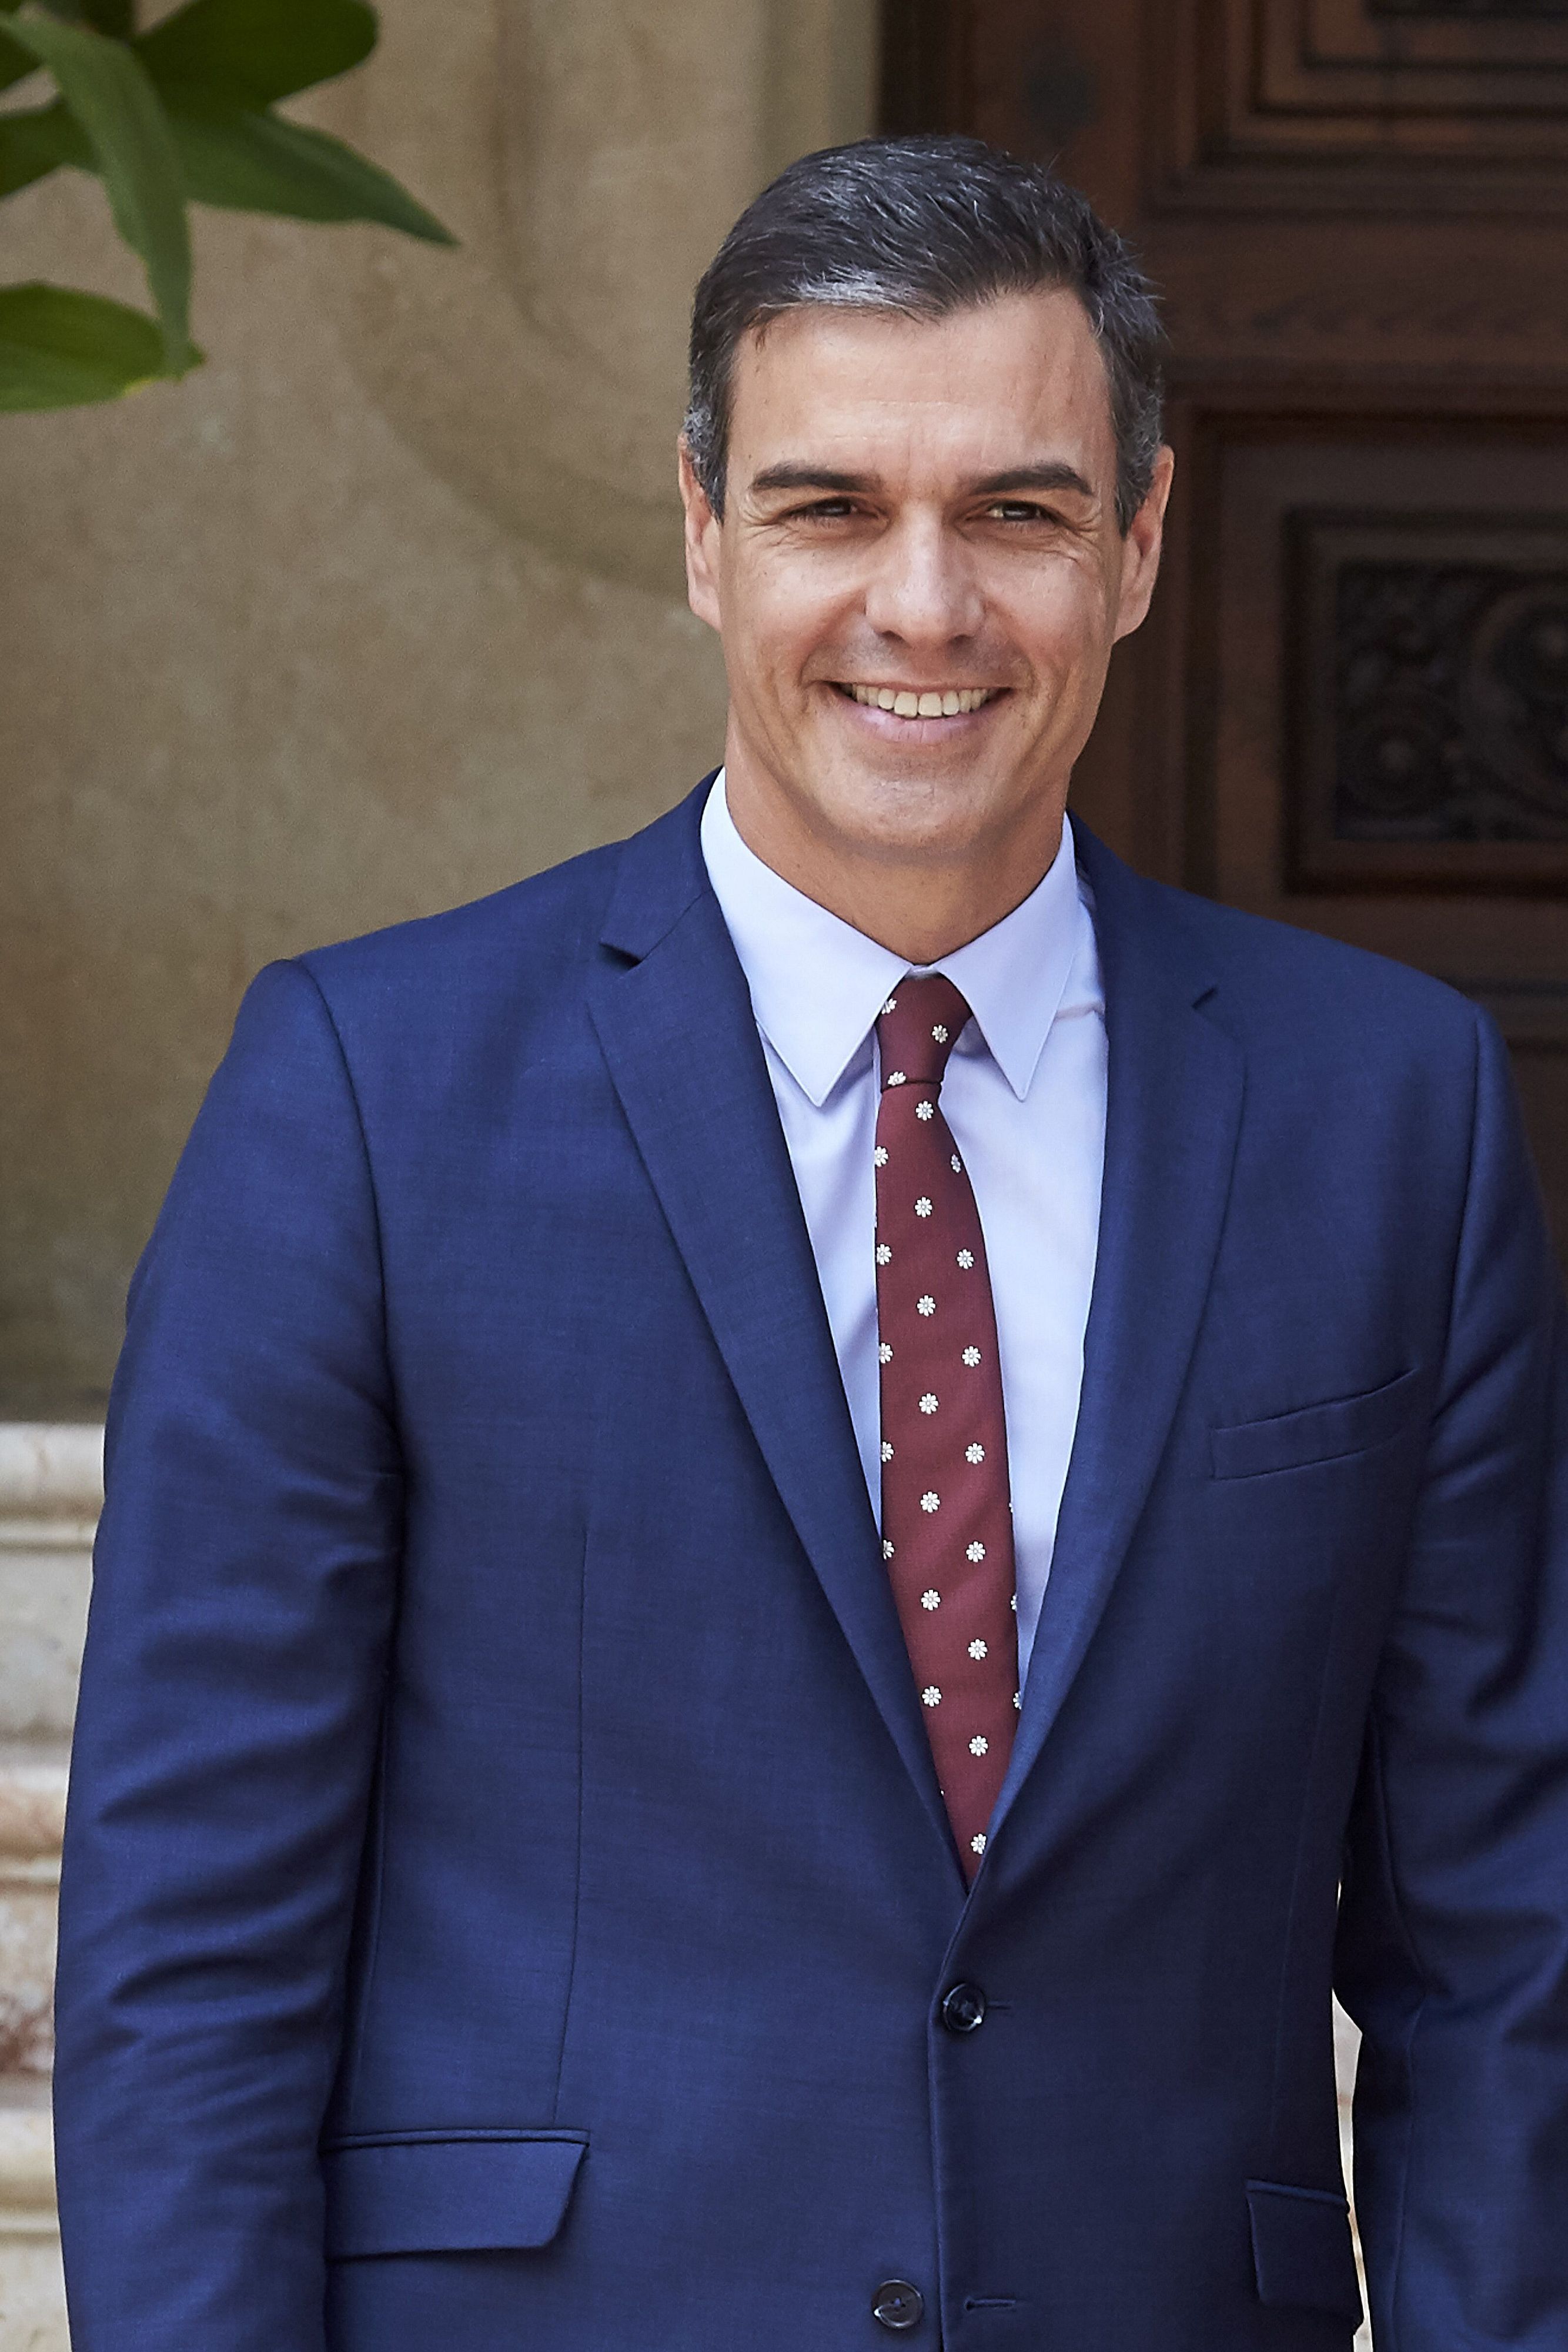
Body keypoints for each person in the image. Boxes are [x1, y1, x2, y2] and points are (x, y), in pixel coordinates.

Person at [53, 135, 1568, 2352]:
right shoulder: (365, 1091)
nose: (923, 606)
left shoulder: (1387, 1114)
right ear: (702, 531)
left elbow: (1502, 1940)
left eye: (1018, 513)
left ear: (1141, 543)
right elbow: (192, 1948)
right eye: (829, 507)